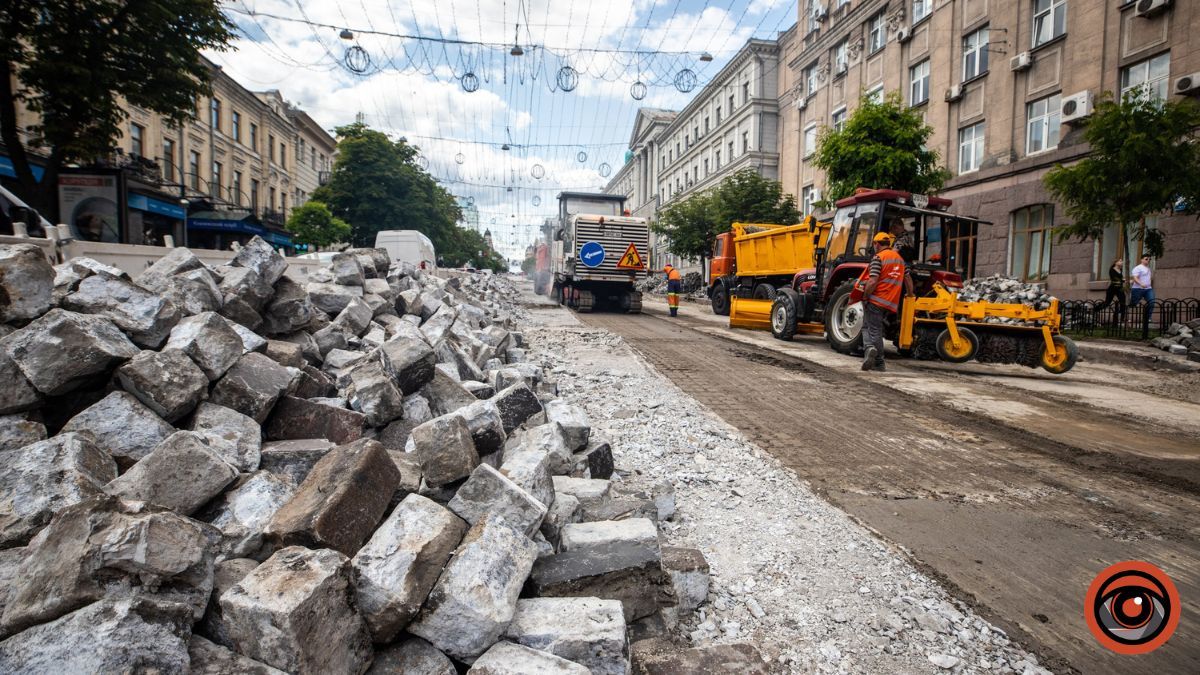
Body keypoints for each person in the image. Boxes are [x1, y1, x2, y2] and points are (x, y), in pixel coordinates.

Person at [859, 232, 914, 372]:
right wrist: (909, 294)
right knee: (873, 327)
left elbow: (872, 281)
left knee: (871, 328)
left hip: (876, 300)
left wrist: (865, 296)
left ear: (876, 244)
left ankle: (877, 359)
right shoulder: (900, 260)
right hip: (891, 302)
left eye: (874, 244)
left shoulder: (878, 258)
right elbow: (908, 280)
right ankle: (870, 350)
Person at [1094, 257, 1126, 323]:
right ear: (1115, 262)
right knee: (1107, 303)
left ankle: (1122, 318)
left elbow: (1121, 279)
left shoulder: (1120, 269)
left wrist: (1123, 281)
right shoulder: (1112, 270)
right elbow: (1115, 280)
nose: (1122, 262)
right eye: (1120, 261)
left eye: (1122, 261)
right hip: (1112, 288)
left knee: (1123, 300)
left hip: (1119, 288)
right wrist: (1125, 281)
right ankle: (1095, 309)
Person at [1129, 254, 1154, 324]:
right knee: (1133, 304)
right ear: (1142, 260)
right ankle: (1127, 318)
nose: (1148, 260)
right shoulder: (1138, 268)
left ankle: (1148, 318)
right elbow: (1135, 277)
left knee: (1152, 302)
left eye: (1149, 259)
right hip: (1137, 289)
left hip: (1148, 289)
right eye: (1146, 259)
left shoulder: (1148, 268)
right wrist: (1141, 284)